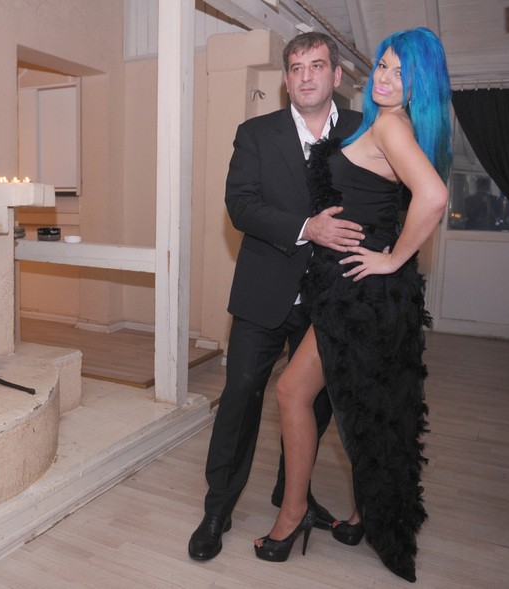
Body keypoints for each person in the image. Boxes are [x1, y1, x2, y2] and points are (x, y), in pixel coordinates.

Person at [254, 27, 452, 584]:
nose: (385, 78)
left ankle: (292, 515)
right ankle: (366, 515)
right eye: (383, 66)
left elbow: (434, 196)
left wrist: (392, 259)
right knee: (370, 406)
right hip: (355, 291)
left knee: (293, 392)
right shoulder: (389, 123)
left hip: (360, 291)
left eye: (400, 72)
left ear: (420, 84)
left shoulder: (390, 125)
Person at [188, 32, 365, 561]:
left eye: (317, 65)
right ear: (286, 79)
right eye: (296, 67)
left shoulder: (364, 131)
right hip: (264, 293)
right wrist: (307, 227)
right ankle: (218, 509)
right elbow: (240, 205)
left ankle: (293, 496)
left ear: (337, 75)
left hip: (333, 298)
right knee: (240, 397)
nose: (306, 76)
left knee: (315, 402)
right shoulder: (256, 134)